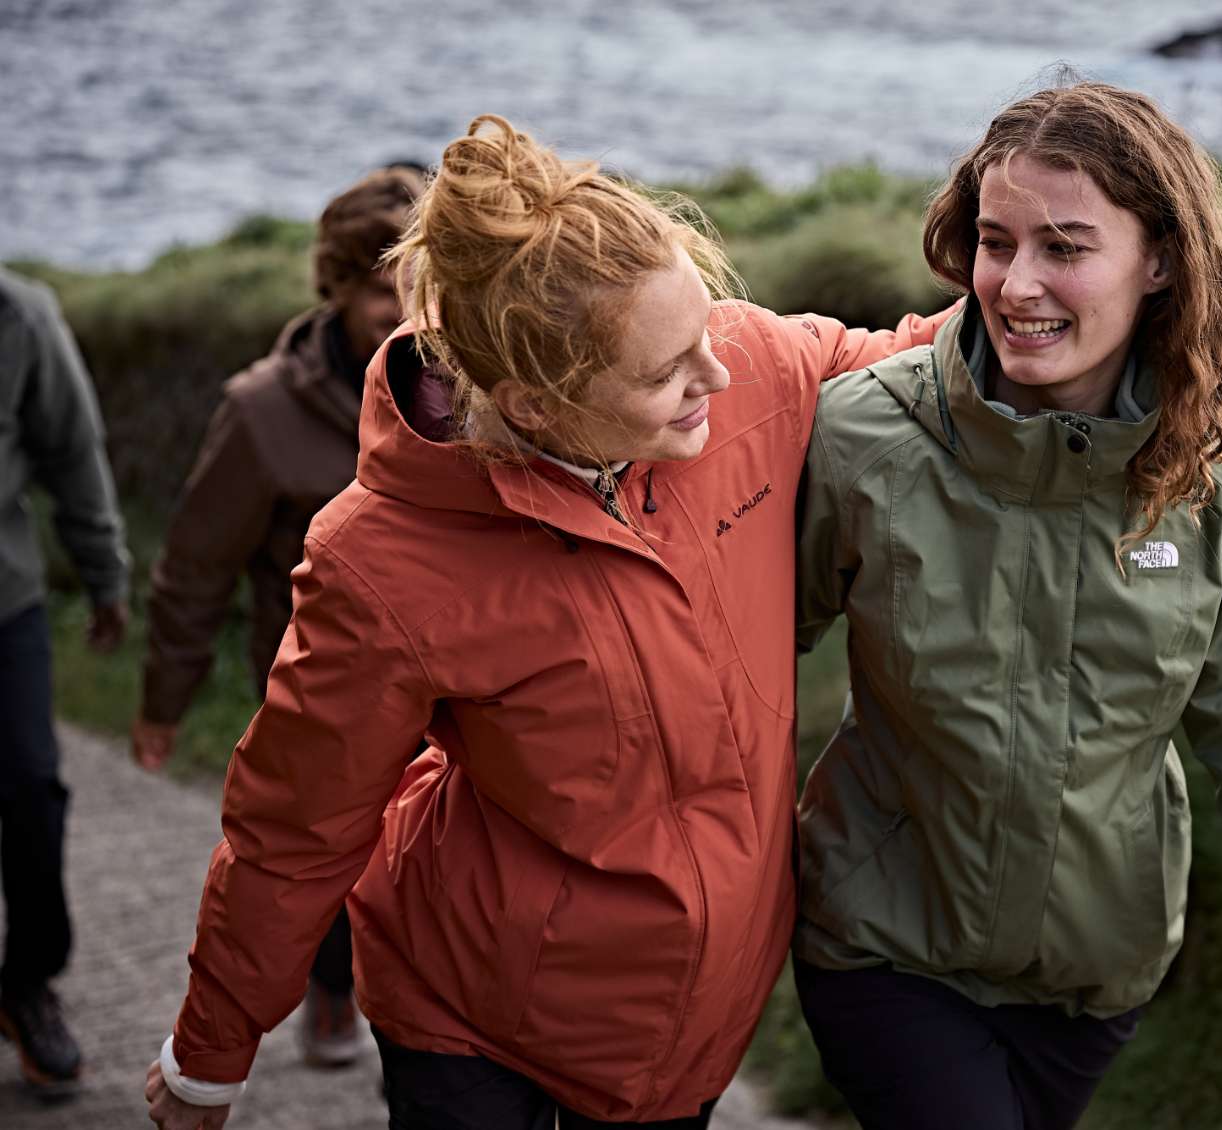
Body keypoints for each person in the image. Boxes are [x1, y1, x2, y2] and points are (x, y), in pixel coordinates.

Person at [140, 115, 952, 1129]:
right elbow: (292, 828)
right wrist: (209, 1054)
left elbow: (913, 370)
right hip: (466, 1008)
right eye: (667, 372)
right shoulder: (379, 555)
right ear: (529, 403)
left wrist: (1091, 323)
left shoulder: (740, 371)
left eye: (708, 331)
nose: (719, 375)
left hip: (691, 1018)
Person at [792, 83, 1222, 1130]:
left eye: (1065, 247)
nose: (1016, 283)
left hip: (1099, 975)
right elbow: (729, 663)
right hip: (884, 947)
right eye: (996, 241)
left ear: (1159, 260)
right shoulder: (864, 438)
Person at [132, 164, 426, 1071]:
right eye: (379, 291)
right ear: (335, 286)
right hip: (319, 691)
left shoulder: (462, 381)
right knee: (329, 854)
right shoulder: (260, 412)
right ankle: (333, 991)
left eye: (414, 284)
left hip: (447, 686)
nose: (401, 309)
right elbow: (194, 571)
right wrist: (162, 705)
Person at [0, 266, 131, 1101]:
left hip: (4, 610)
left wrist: (104, 575)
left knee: (31, 791)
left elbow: (73, 455)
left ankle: (27, 982)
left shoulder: (22, 319)